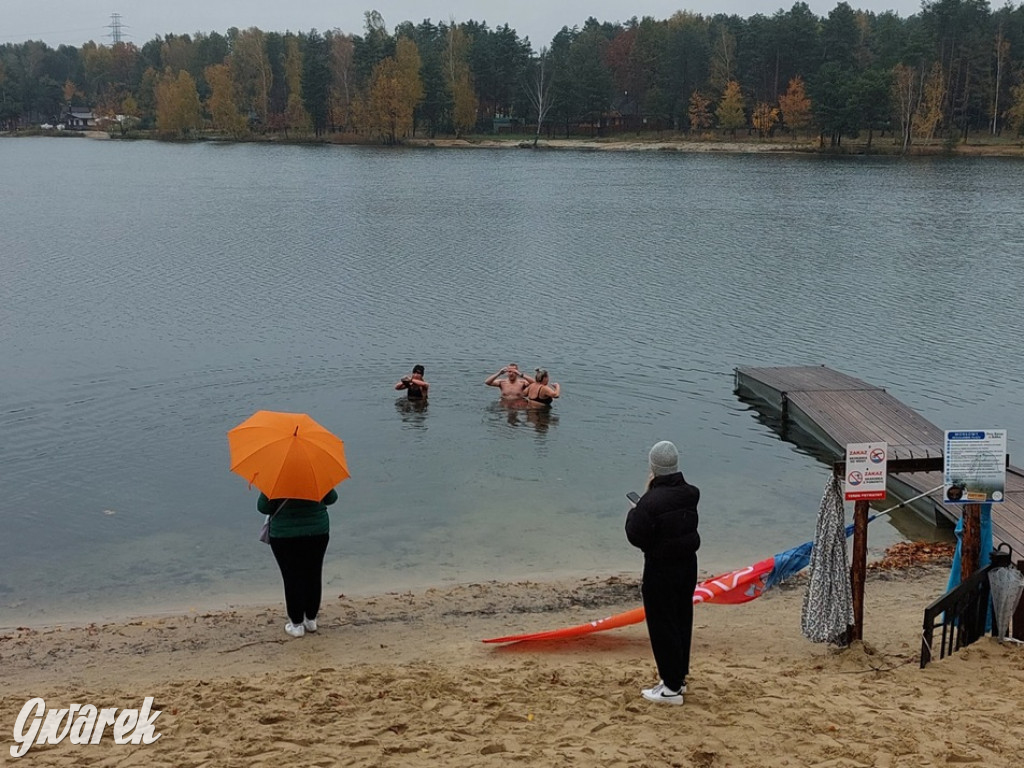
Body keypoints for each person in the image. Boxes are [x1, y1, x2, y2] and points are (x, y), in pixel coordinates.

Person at [624, 440, 700, 705]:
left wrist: (636, 510)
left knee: (662, 624)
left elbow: (636, 535)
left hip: (661, 569)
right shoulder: (690, 493)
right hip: (688, 565)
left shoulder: (650, 502)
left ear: (653, 467)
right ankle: (677, 678)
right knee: (681, 619)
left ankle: (670, 688)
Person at [258, 489, 338, 638]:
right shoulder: (315, 473)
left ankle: (296, 625)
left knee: (291, 578)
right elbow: (332, 498)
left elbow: (263, 507)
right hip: (317, 531)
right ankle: (311, 620)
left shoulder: (276, 479)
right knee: (313, 574)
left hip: (284, 535)